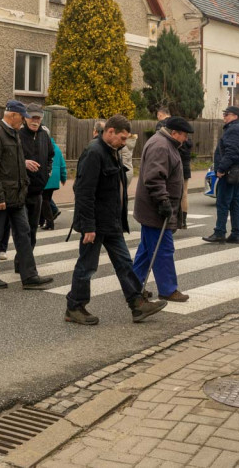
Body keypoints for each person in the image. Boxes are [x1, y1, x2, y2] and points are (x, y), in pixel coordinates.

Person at [65, 115, 168, 325]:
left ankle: (137, 304)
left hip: (111, 221)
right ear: (110, 131)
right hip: (95, 223)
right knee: (87, 266)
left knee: (124, 263)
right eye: (122, 138)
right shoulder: (94, 152)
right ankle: (74, 307)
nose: (124, 143)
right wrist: (88, 226)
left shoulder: (113, 151)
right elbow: (83, 192)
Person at [0, 100, 52, 289]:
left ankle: (29, 276)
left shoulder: (13, 133)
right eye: (22, 117)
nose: (24, 121)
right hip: (2, 197)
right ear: (12, 115)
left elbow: (19, 164)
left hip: (17, 196)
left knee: (24, 234)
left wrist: (24, 185)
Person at [132, 116, 193, 302]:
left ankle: (133, 286)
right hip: (155, 209)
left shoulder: (165, 143)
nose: (186, 140)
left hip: (152, 207)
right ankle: (168, 289)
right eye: (184, 135)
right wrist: (163, 201)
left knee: (146, 250)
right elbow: (154, 178)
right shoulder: (161, 146)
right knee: (163, 249)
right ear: (174, 133)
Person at [204, 106, 239, 244]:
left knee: (223, 202)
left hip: (229, 173)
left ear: (235, 116)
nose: (224, 116)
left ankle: (219, 232)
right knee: (235, 203)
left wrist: (221, 168)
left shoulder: (233, 130)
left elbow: (232, 152)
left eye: (227, 114)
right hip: (237, 173)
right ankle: (236, 234)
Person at [20, 103, 53, 249]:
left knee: (33, 229)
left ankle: (26, 259)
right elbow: (9, 159)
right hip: (21, 191)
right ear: (25, 118)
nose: (35, 121)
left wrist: (47, 173)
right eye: (32, 117)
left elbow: (50, 156)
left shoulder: (44, 135)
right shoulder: (18, 135)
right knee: (23, 230)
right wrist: (23, 163)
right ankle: (23, 260)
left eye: (38, 118)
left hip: (38, 191)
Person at [156, 106, 192, 230]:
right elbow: (188, 144)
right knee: (184, 192)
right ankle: (183, 220)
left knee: (170, 191)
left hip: (173, 164)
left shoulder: (163, 127)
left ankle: (171, 219)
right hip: (185, 163)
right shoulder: (181, 125)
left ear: (160, 115)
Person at [40, 136, 67, 230]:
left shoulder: (43, 147)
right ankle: (42, 220)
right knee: (45, 199)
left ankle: (49, 222)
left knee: (44, 200)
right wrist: (63, 177)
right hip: (55, 178)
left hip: (47, 176)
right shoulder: (57, 148)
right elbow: (62, 164)